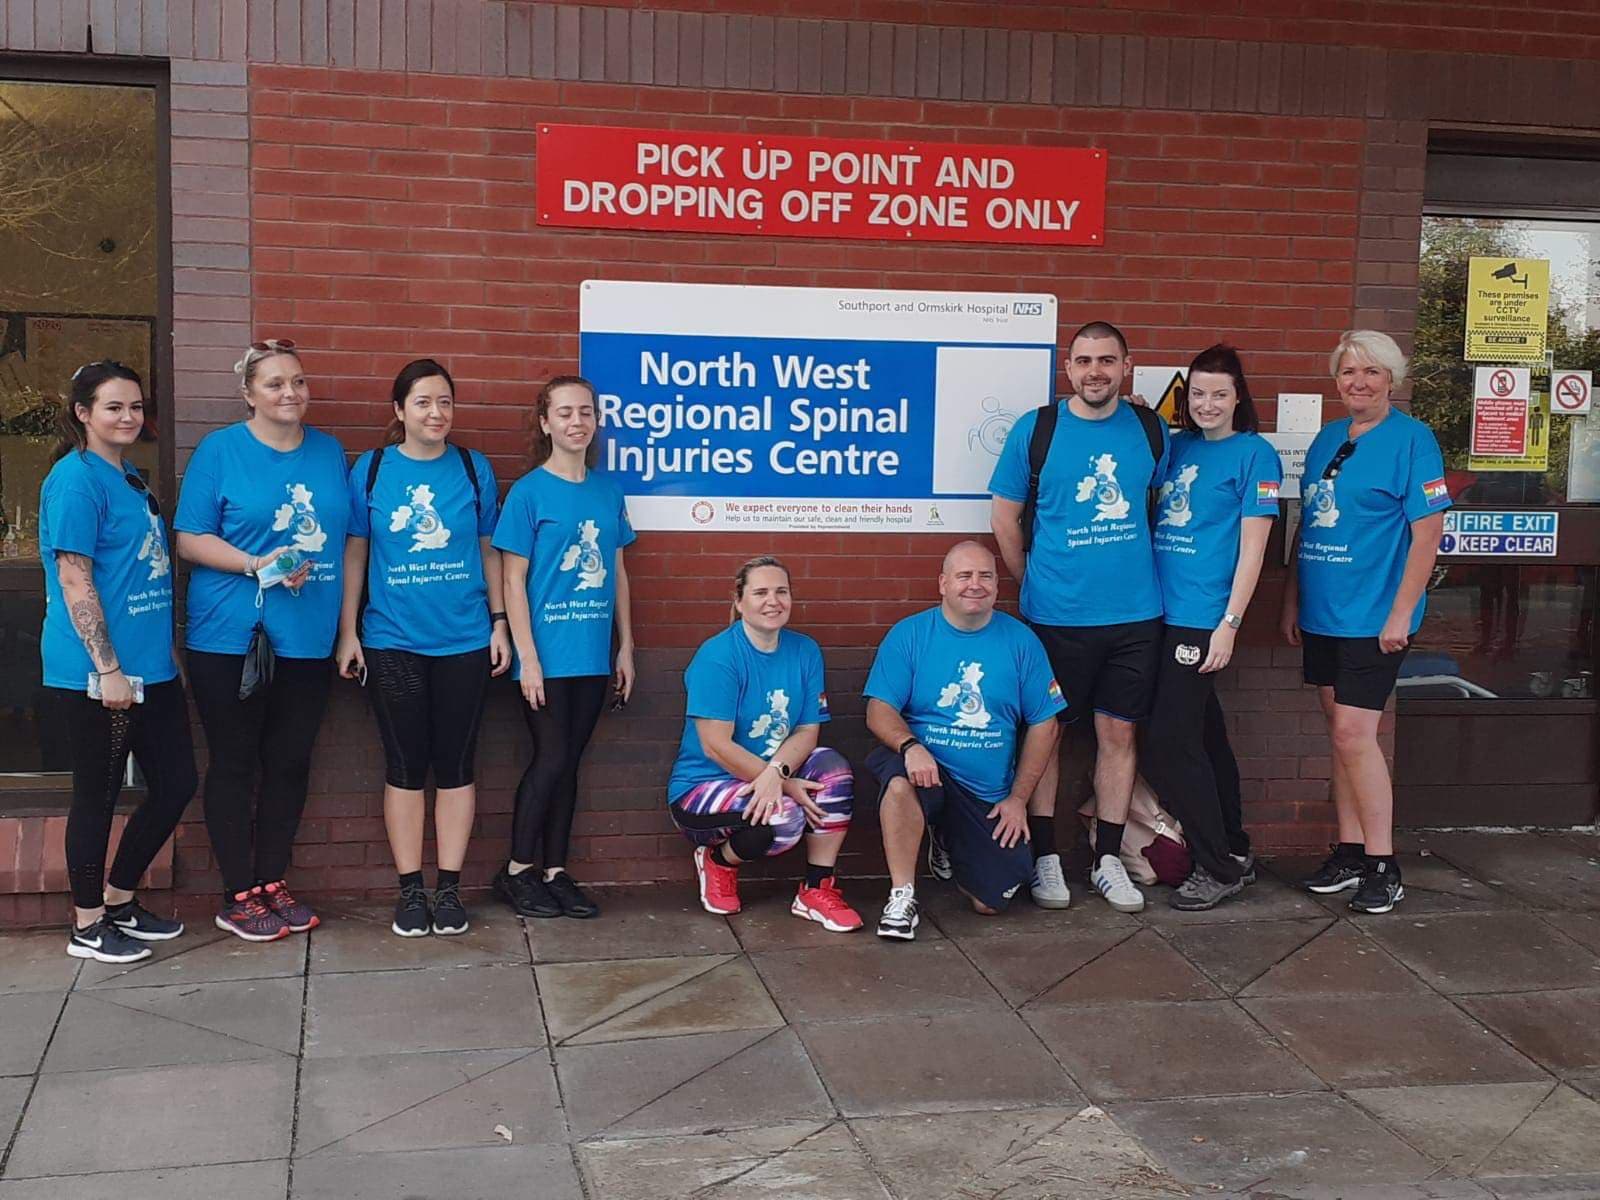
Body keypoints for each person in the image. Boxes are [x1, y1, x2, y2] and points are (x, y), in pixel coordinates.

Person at [989, 320, 1170, 913]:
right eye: (1084, 360)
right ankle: (1044, 858)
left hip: (1135, 617)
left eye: (1107, 360)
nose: (1095, 371)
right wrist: (1033, 582)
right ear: (1068, 368)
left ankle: (1109, 858)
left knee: (1118, 735)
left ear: (1126, 366)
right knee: (1049, 733)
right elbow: (1004, 520)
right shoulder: (1036, 430)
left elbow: (1162, 504)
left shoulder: (1149, 428)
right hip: (1055, 618)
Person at [175, 339, 348, 941]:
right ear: (248, 394)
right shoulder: (220, 451)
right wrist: (257, 563)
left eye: (298, 382)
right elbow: (189, 539)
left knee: (290, 762)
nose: (290, 393)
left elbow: (345, 537)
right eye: (275, 384)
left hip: (307, 633)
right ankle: (237, 892)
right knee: (234, 761)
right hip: (229, 635)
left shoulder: (329, 452)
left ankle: (273, 881)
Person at [337, 359, 510, 938]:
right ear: (399, 410)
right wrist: (348, 631)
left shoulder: (471, 467)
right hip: (392, 643)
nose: (436, 413)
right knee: (406, 767)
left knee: (458, 766)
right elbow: (355, 553)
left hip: (465, 640)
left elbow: (491, 551)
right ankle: (411, 891)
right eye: (423, 403)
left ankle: (450, 888)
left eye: (445, 402)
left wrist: (500, 622)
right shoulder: (372, 469)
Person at [1281, 330, 1450, 915]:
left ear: (1392, 380)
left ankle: (1384, 863)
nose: (1359, 382)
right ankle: (1350, 852)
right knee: (1340, 734)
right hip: (1324, 612)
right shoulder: (1329, 437)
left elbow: (1427, 534)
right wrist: (1291, 602)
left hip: (1374, 618)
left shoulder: (1413, 440)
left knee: (1357, 735)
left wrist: (1402, 611)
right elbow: (1309, 525)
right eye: (1349, 372)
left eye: (1372, 372)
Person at [39, 361, 197, 962]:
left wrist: (166, 656)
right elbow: (75, 579)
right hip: (97, 674)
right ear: (83, 414)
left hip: (151, 669)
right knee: (98, 796)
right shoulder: (76, 481)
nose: (128, 417)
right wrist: (106, 667)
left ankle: (120, 898)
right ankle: (87, 925)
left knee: (177, 784)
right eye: (113, 407)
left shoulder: (128, 476)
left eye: (135, 407)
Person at [864, 542, 1064, 940]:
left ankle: (946, 835)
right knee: (901, 785)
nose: (975, 585)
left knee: (991, 902)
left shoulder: (1020, 642)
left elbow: (1046, 724)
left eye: (985, 576)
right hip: (925, 770)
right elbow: (878, 711)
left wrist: (1018, 800)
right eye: (964, 576)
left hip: (985, 794)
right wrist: (910, 746)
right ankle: (902, 897)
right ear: (942, 583)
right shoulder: (911, 635)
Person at [1142, 345, 1282, 910]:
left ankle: (1216, 866)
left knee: (1169, 742)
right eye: (1196, 393)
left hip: (1201, 620)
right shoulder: (1175, 448)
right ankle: (1236, 847)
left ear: (1238, 398)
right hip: (1158, 613)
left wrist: (1228, 625)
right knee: (1206, 738)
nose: (1206, 403)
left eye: (1218, 393)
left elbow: (1254, 551)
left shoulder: (1256, 456)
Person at [490, 376, 635, 920]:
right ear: (546, 422)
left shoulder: (606, 491)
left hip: (593, 655)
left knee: (570, 763)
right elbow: (512, 581)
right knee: (549, 760)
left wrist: (627, 648)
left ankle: (554, 870)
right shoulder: (528, 493)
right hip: (544, 658)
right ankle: (516, 871)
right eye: (566, 412)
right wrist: (528, 658)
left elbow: (618, 572)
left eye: (587, 412)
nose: (578, 421)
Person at [666, 556, 862, 930]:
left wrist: (777, 771)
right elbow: (715, 746)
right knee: (783, 817)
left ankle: (816, 889)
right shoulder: (718, 656)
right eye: (760, 592)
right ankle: (718, 861)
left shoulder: (805, 651)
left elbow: (807, 731)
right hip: (703, 787)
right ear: (739, 601)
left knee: (833, 770)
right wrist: (782, 784)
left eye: (781, 591)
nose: (773, 601)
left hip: (769, 773)